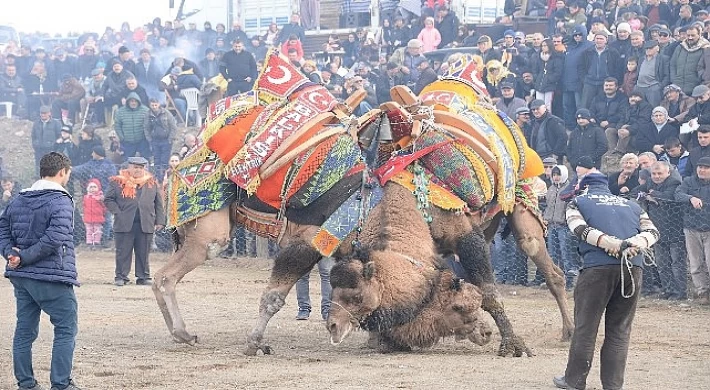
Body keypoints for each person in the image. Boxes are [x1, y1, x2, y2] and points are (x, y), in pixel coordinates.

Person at [554, 172, 659, 390]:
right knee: (619, 330)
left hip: (596, 270)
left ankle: (574, 381)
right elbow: (653, 232)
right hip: (633, 268)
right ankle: (613, 385)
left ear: (584, 187)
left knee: (586, 327)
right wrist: (631, 244)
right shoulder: (631, 204)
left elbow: (579, 229)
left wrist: (608, 242)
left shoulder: (577, 202)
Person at [0, 152, 81, 390]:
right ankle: (61, 384)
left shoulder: (17, 199)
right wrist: (21, 257)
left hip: (22, 277)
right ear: (62, 172)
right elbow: (55, 238)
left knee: (24, 330)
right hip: (52, 275)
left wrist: (11, 254)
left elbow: (2, 228)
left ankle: (25, 383)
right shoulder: (61, 200)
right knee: (66, 327)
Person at [629, 161, 687, 300]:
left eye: (659, 173)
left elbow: (669, 197)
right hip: (657, 230)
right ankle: (668, 290)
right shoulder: (649, 182)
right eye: (654, 173)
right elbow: (635, 191)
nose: (656, 176)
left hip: (675, 230)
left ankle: (680, 293)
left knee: (677, 264)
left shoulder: (675, 182)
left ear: (668, 172)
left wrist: (652, 194)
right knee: (662, 263)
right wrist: (645, 195)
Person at [104, 156, 166, 286]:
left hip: (146, 223)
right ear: (129, 167)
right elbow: (108, 199)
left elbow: (158, 203)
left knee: (143, 252)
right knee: (123, 252)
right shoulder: (117, 182)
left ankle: (143, 277)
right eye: (135, 167)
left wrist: (160, 220)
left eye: (141, 167)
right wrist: (118, 213)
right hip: (124, 223)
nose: (138, 170)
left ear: (144, 168)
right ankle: (121, 276)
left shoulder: (151, 183)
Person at [675, 156, 710, 304]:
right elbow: (677, 194)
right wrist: (690, 198)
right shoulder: (688, 181)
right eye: (700, 167)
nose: (702, 170)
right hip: (691, 228)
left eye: (706, 167)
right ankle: (702, 294)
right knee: (695, 264)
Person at [544, 164, 578, 289]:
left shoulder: (569, 189)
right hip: (552, 225)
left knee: (565, 253)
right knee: (553, 254)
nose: (556, 177)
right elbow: (548, 205)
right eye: (554, 175)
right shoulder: (551, 188)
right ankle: (554, 280)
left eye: (558, 174)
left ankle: (568, 281)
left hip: (563, 226)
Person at [144, 98, 177, 181]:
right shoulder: (148, 115)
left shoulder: (166, 113)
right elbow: (146, 128)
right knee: (156, 160)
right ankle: (157, 178)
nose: (154, 107)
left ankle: (165, 178)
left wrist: (170, 139)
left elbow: (173, 126)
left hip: (166, 140)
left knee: (165, 160)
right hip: (155, 141)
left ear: (158, 104)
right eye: (152, 105)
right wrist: (149, 140)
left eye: (155, 105)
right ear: (150, 105)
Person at [114, 93, 149, 159]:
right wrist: (122, 137)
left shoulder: (145, 110)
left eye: (135, 101)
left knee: (145, 160)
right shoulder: (120, 111)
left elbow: (150, 124)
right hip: (127, 141)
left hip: (142, 140)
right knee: (127, 161)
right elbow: (117, 125)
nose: (134, 103)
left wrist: (147, 136)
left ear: (138, 101)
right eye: (132, 101)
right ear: (128, 102)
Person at [31, 106, 62, 176]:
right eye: (41, 113)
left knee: (51, 168)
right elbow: (33, 136)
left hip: (51, 150)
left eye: (45, 113)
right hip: (39, 149)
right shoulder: (36, 123)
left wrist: (55, 146)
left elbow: (60, 135)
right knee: (39, 167)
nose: (43, 115)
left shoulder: (56, 123)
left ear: (49, 113)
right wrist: (35, 144)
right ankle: (39, 179)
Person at [83, 178, 106, 249]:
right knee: (89, 230)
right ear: (88, 188)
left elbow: (104, 207)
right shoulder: (86, 197)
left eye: (94, 187)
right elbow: (84, 206)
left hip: (97, 217)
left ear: (98, 188)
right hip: (88, 217)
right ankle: (89, 242)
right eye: (91, 187)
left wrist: (102, 212)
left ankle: (96, 242)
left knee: (97, 230)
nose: (92, 189)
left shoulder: (100, 197)